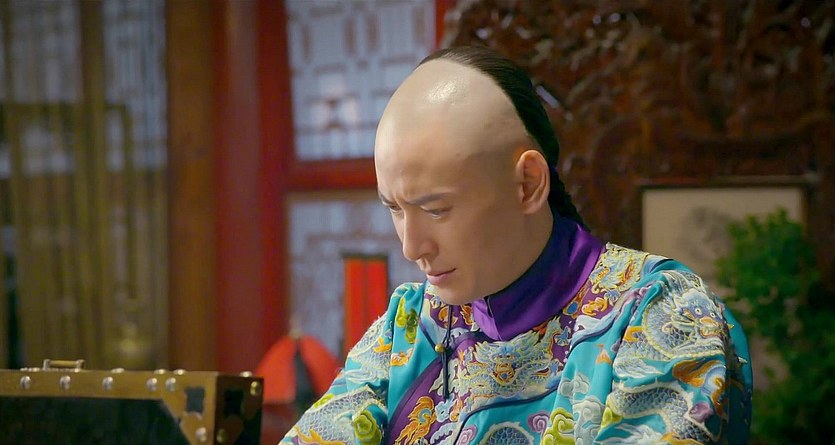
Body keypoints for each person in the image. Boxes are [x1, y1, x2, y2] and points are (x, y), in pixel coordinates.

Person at [281, 46, 752, 445]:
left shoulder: (658, 311)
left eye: (436, 209)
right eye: (395, 209)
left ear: (528, 184)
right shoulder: (408, 328)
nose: (411, 246)